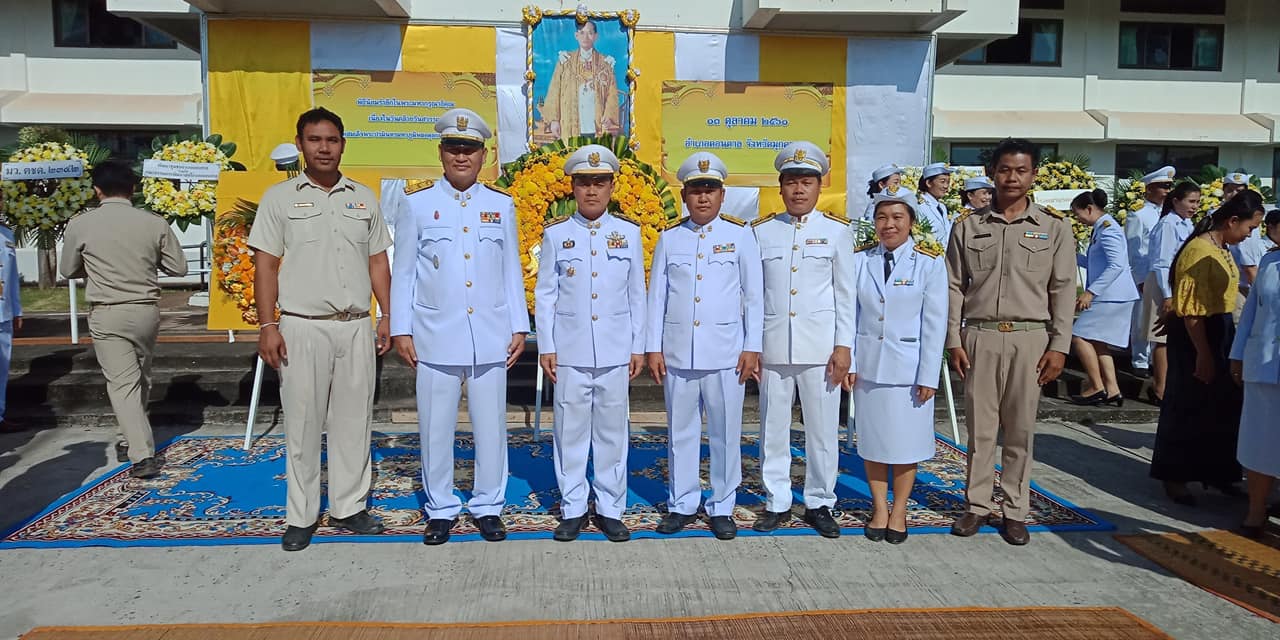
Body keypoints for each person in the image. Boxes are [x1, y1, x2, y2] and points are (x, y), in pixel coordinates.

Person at [248, 108, 392, 551]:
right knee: (303, 424)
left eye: (332, 140)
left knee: (354, 422)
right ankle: (302, 515)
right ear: (300, 144)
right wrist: (268, 324)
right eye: (315, 140)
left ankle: (349, 507)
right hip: (301, 327)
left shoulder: (363, 198)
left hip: (355, 326)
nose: (324, 148)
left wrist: (388, 315)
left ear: (343, 144)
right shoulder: (279, 199)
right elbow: (265, 265)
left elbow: (377, 262)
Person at [390, 109, 529, 546]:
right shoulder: (416, 203)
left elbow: (510, 269)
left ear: (484, 155)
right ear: (441, 152)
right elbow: (404, 272)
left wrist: (519, 326)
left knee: (491, 428)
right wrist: (401, 329)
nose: (462, 156)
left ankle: (488, 505)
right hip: (435, 333)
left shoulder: (500, 204)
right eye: (454, 147)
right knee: (435, 428)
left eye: (470, 148)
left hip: (490, 333)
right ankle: (441, 508)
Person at [945, 138, 1076, 546]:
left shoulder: (1054, 227)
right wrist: (953, 339)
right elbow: (953, 285)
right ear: (992, 173)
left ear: (1034, 174)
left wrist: (1060, 346)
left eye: (1021, 170)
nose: (1012, 178)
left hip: (1030, 338)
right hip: (980, 335)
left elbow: (1063, 289)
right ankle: (977, 505)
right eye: (1004, 169)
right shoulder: (968, 226)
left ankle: (1015, 510)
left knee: (1020, 430)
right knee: (980, 430)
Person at [646, 152, 763, 540]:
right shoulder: (669, 237)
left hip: (726, 354)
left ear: (722, 195)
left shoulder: (740, 235)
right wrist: (653, 347)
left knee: (725, 434)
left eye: (710, 189)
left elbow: (754, 296)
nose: (703, 197)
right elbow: (657, 296)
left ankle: (722, 505)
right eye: (696, 190)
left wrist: (753, 346)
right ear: (684, 195)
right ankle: (681, 503)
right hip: (679, 351)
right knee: (680, 433)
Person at [535, 144, 646, 543]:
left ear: (612, 187)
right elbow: (545, 294)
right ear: (574, 187)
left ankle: (611, 508)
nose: (592, 190)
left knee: (612, 433)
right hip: (571, 349)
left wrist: (637, 346)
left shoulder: (628, 233)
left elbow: (637, 294)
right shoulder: (557, 234)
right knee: (570, 431)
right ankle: (573, 508)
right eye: (584, 183)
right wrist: (547, 346)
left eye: (600, 182)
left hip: (615, 350)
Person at [752, 141, 855, 538]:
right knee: (772, 430)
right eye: (791, 182)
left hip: (820, 349)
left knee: (822, 432)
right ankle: (777, 500)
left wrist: (844, 346)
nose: (798, 190)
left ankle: (820, 501)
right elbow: (752, 295)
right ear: (780, 187)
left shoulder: (836, 231)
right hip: (774, 346)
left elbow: (845, 295)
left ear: (819, 186)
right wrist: (752, 345)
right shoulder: (762, 232)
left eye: (806, 182)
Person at [59, 161, 187, 477]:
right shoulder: (153, 223)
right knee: (140, 376)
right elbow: (179, 267)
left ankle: (141, 455)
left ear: (96, 190)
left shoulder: (81, 224)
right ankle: (127, 437)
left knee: (123, 383)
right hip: (145, 309)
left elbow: (68, 269)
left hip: (108, 310)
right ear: (133, 189)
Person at [1151, 191, 1264, 506]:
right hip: (1198, 332)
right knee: (1187, 403)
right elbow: (1193, 311)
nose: (1250, 235)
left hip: (1219, 327)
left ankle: (1219, 472)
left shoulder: (1221, 247)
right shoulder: (1199, 250)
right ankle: (1175, 475)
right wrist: (1203, 353)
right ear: (1232, 221)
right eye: (1250, 228)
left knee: (1222, 405)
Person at [846, 192, 947, 545]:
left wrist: (929, 374)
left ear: (911, 223)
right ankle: (879, 508)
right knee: (873, 443)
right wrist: (850, 361)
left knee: (906, 445)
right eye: (882, 217)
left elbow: (935, 323)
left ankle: (899, 510)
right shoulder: (861, 260)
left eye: (897, 217)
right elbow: (850, 315)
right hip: (869, 368)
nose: (889, 224)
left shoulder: (929, 262)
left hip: (909, 370)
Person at [1068, 189, 1139, 406]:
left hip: (1111, 296)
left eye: (1078, 213)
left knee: (1079, 337)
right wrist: (1072, 254)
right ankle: (1112, 389)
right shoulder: (1102, 228)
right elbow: (1096, 262)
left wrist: (1091, 292)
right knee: (1099, 343)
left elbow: (1116, 265)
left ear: (1089, 209)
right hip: (1113, 295)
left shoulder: (1108, 230)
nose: (1078, 219)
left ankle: (1096, 386)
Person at [1230, 233, 1280, 538]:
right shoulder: (1270, 261)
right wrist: (1237, 355)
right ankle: (1256, 509)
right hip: (1263, 363)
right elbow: (1251, 312)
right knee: (1258, 441)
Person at [1141, 182, 1201, 403]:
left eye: (1197, 202)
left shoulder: (1186, 223)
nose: (1194, 206)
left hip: (1179, 283)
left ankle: (1170, 386)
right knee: (1162, 337)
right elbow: (1162, 263)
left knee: (1175, 336)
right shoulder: (1167, 224)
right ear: (1176, 201)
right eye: (1191, 201)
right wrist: (1167, 294)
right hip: (1163, 283)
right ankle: (1160, 388)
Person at [1126, 166, 1175, 376]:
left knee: (1161, 318)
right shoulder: (1139, 215)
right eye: (1162, 187)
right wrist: (1140, 278)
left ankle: (1157, 360)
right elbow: (1134, 251)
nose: (1166, 191)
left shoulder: (1171, 215)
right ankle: (1140, 360)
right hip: (1146, 274)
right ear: (1149, 189)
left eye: (1169, 187)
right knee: (1141, 318)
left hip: (1165, 275)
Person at [541, 20, 621, 141]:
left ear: (596, 36)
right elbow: (554, 90)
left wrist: (609, 116)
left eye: (590, 33)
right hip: (571, 123)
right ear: (576, 35)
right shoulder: (565, 61)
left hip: (596, 123)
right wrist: (554, 120)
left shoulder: (605, 63)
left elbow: (612, 93)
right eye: (582, 33)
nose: (586, 37)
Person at [0, 214, 23, 433]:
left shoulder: (6, 234)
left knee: (2, 368)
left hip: (3, 311)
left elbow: (12, 276)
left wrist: (17, 310)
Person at [916, 162, 955, 243]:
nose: (946, 186)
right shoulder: (919, 206)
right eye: (942, 181)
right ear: (928, 183)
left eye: (948, 182)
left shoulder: (942, 207)